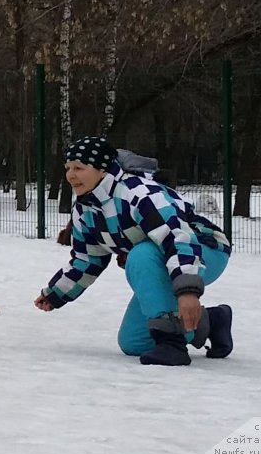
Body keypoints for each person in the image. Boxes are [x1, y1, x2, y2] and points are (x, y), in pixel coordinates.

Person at [35, 136, 233, 366]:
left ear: (102, 169)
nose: (70, 175)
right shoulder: (84, 210)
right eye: (68, 168)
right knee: (134, 342)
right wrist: (55, 294)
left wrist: (188, 291)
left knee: (140, 254)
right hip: (161, 262)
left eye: (79, 167)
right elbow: (87, 260)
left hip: (203, 250)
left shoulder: (139, 193)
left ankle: (171, 343)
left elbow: (177, 238)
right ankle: (213, 321)